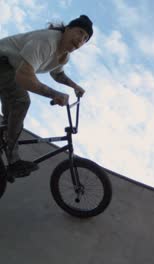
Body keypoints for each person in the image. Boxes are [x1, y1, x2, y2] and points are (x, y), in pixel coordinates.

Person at [0, 15, 92, 178]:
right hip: (3, 62)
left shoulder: (64, 56)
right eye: (79, 32)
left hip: (10, 70)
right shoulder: (47, 41)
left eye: (85, 39)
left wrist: (74, 86)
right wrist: (54, 94)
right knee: (21, 101)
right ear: (67, 29)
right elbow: (23, 77)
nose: (80, 40)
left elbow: (57, 74)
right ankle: (13, 161)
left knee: (10, 120)